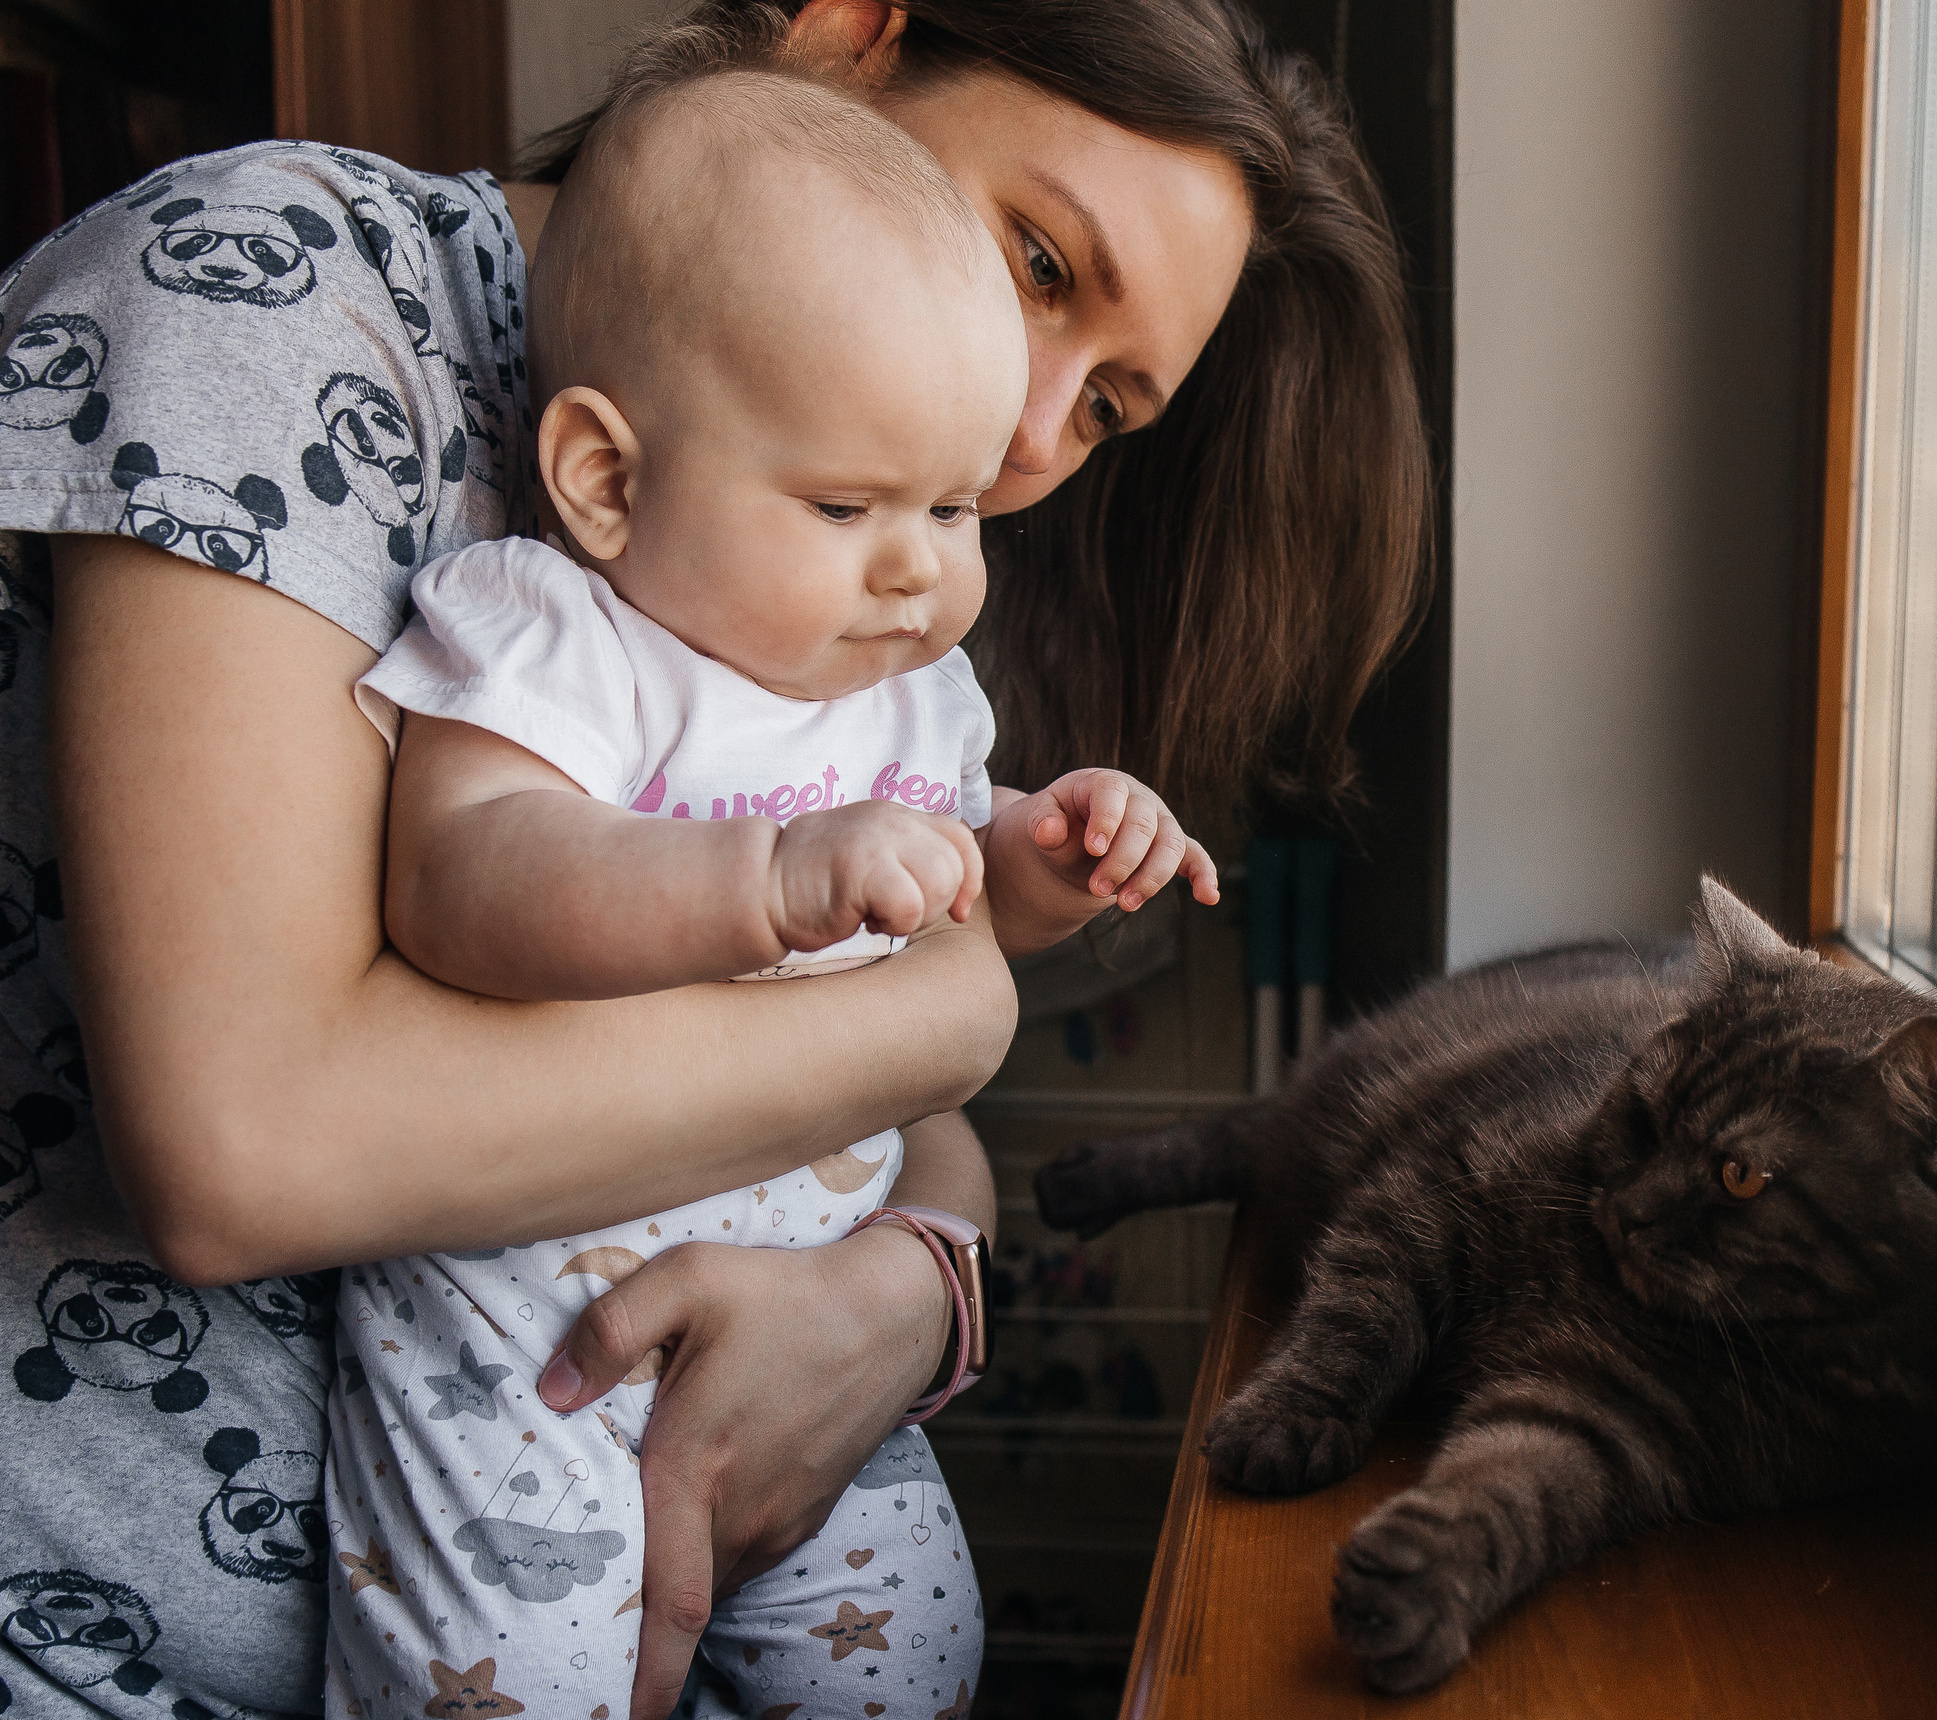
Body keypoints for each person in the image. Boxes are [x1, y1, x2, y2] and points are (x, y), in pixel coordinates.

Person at [0, 1, 1425, 1715]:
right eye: (1042, 264)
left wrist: (916, 1286)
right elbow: (247, 1149)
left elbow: (839, 1088)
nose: (1032, 432)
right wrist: (957, 1006)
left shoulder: (853, 573)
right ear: (842, 35)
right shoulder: (269, 294)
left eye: (1113, 408)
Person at [327, 61, 1213, 1716]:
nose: (922, 566)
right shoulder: (561, 634)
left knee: (915, 1661)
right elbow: (460, 879)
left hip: (808, 1286)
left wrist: (1042, 853)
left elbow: (948, 904)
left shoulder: (898, 688)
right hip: (529, 1311)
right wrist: (763, 879)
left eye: (952, 507)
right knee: (521, 1675)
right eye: (844, 504)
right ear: (607, 481)